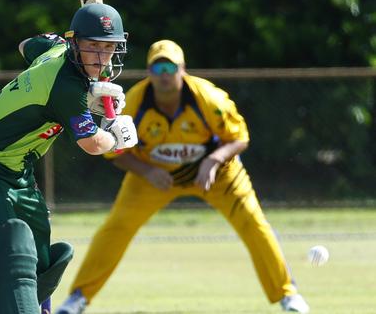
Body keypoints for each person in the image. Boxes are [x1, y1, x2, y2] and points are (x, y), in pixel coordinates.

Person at [56, 39, 310, 314]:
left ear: (183, 69)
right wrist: (148, 171)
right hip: (153, 175)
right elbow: (115, 151)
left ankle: (287, 295)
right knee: (115, 229)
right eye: (158, 67)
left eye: (170, 66)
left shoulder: (209, 99)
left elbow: (239, 138)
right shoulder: (133, 103)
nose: (164, 73)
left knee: (254, 224)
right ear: (149, 72)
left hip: (217, 174)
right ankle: (78, 298)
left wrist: (213, 161)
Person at [0, 3, 138, 314]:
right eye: (92, 47)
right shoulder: (67, 87)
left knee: (42, 258)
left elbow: (25, 45)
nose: (101, 59)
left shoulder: (57, 50)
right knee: (12, 245)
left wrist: (87, 89)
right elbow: (90, 143)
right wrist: (114, 135)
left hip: (17, 172)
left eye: (108, 48)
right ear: (75, 43)